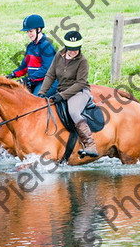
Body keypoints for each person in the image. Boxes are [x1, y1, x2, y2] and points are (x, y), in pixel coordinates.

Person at [38, 30, 98, 158]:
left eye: (76, 49)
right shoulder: (59, 56)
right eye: (70, 49)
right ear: (65, 47)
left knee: (73, 111)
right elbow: (50, 75)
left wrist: (62, 96)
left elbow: (80, 83)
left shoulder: (83, 61)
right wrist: (42, 93)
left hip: (79, 92)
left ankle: (90, 144)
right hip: (61, 90)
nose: (73, 51)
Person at [6, 14, 57, 97]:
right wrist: (11, 75)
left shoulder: (46, 46)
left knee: (34, 100)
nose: (29, 34)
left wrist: (29, 79)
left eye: (31, 31)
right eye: (27, 32)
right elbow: (25, 67)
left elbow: (46, 69)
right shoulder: (30, 46)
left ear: (39, 30)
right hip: (34, 81)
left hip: (47, 82)